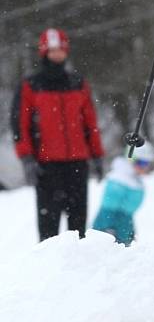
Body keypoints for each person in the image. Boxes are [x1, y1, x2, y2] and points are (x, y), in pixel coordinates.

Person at [11, 28, 105, 241]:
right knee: (48, 229)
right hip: (46, 165)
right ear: (44, 52)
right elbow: (20, 125)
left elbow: (90, 122)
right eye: (52, 50)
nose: (57, 54)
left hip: (78, 163)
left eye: (60, 49)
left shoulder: (78, 82)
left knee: (78, 227)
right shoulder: (31, 85)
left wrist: (97, 155)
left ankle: (80, 268)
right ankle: (49, 270)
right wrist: (26, 158)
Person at [92, 141, 154, 246]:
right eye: (142, 163)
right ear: (131, 160)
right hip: (111, 234)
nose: (145, 167)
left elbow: (127, 214)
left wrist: (130, 233)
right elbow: (108, 213)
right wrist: (108, 234)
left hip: (124, 230)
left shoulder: (135, 181)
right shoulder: (118, 182)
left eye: (147, 163)